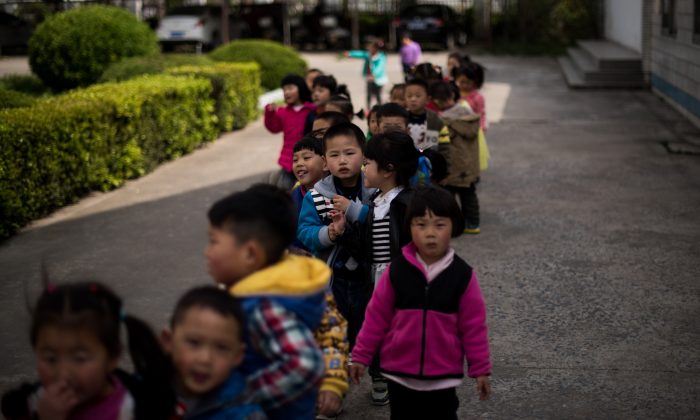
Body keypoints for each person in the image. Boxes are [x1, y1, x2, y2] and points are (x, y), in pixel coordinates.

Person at [350, 186, 492, 420]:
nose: (430, 233)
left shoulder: (462, 275)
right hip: (399, 374)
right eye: (421, 224)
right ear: (409, 227)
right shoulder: (396, 271)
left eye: (439, 224)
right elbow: (376, 318)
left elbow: (474, 327)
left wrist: (481, 369)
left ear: (454, 226)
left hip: (443, 376)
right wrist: (360, 356)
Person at [206, 185, 328, 419]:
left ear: (251, 254)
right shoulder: (253, 296)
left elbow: (305, 363)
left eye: (213, 241)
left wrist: (243, 396)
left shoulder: (261, 306)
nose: (206, 252)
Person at [330, 131, 420, 405]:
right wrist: (344, 232)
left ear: (389, 170)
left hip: (400, 280)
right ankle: (387, 375)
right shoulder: (375, 203)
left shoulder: (406, 203)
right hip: (376, 280)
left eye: (368, 162)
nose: (363, 167)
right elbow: (365, 248)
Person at [2, 280, 175, 420]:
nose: (63, 373)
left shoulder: (138, 407)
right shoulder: (30, 404)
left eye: (79, 358)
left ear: (112, 357)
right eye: (50, 359)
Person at [297, 123, 375, 352]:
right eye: (334, 155)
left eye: (349, 153)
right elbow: (305, 231)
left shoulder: (374, 190)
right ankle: (338, 371)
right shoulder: (316, 195)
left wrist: (354, 210)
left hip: (367, 273)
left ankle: (374, 370)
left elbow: (384, 223)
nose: (342, 160)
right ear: (324, 161)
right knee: (335, 324)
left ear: (364, 156)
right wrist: (330, 233)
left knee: (369, 322)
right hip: (334, 276)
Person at [161, 286, 265, 419]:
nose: (205, 359)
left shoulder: (245, 415)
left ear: (237, 356)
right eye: (194, 343)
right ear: (168, 341)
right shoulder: (139, 394)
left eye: (221, 348)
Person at [430, 80, 481, 234]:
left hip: (453, 166)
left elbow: (441, 145)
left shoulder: (444, 120)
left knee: (448, 198)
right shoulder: (468, 115)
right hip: (468, 166)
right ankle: (472, 223)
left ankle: (453, 224)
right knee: (468, 195)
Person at [264, 74, 316, 190]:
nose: (286, 92)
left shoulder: (312, 110)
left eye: (290, 88)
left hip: (309, 160)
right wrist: (270, 114)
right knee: (286, 191)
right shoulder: (283, 111)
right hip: (288, 162)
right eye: (284, 90)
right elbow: (274, 128)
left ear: (301, 88)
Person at [405, 78, 448, 152]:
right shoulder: (402, 118)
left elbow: (444, 146)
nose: (413, 99)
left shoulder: (435, 120)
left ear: (428, 99)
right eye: (409, 96)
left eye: (418, 96)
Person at [344, 39, 388, 111]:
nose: (370, 49)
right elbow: (360, 54)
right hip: (369, 78)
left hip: (378, 80)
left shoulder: (381, 57)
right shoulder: (369, 55)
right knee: (369, 95)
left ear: (376, 49)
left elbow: (380, 67)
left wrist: (374, 75)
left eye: (371, 47)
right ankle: (368, 110)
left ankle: (381, 109)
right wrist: (350, 54)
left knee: (378, 96)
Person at [455, 63, 487, 132]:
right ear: (456, 79)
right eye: (462, 82)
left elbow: (481, 114)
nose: (465, 85)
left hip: (472, 130)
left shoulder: (478, 97)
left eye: (468, 83)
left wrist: (482, 127)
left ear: (474, 82)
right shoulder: (453, 94)